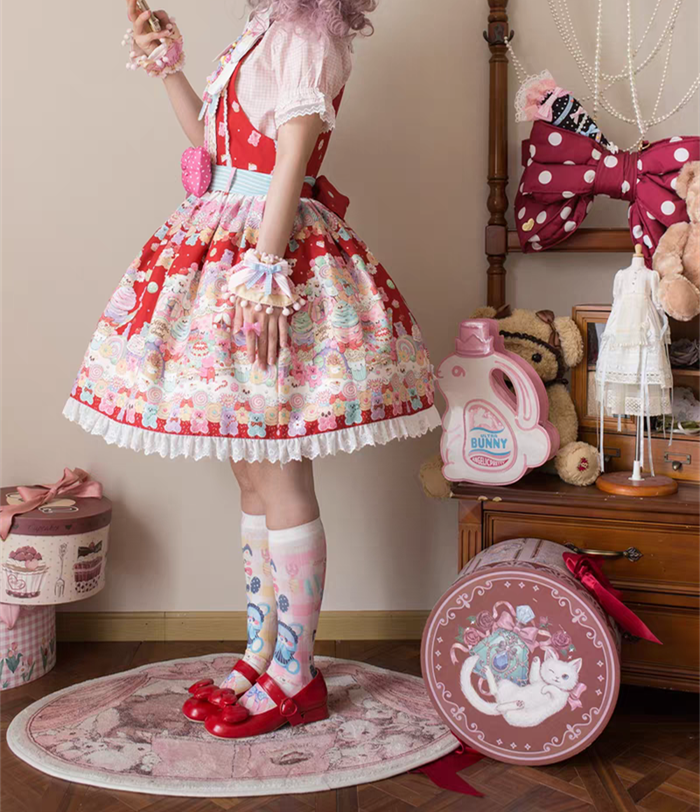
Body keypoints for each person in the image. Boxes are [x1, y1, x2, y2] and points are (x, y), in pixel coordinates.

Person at [64, 0, 440, 739]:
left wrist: (267, 271)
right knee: (249, 468)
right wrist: (169, 69)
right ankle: (263, 653)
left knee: (280, 468)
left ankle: (297, 675)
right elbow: (215, 147)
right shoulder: (265, 27)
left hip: (268, 251)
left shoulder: (304, 33)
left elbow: (291, 154)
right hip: (224, 236)